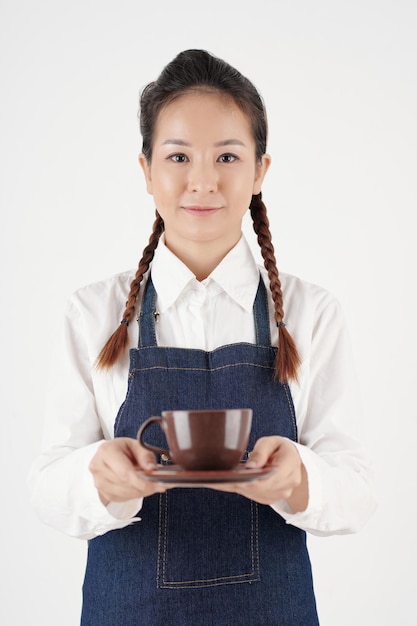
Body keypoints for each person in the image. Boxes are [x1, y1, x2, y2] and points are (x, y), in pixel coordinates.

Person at [28, 49, 376, 625]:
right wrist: (97, 475)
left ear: (261, 169)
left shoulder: (311, 313)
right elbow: (45, 489)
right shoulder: (93, 313)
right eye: (179, 156)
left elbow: (358, 492)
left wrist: (299, 478)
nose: (203, 181)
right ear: (146, 169)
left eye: (228, 156)